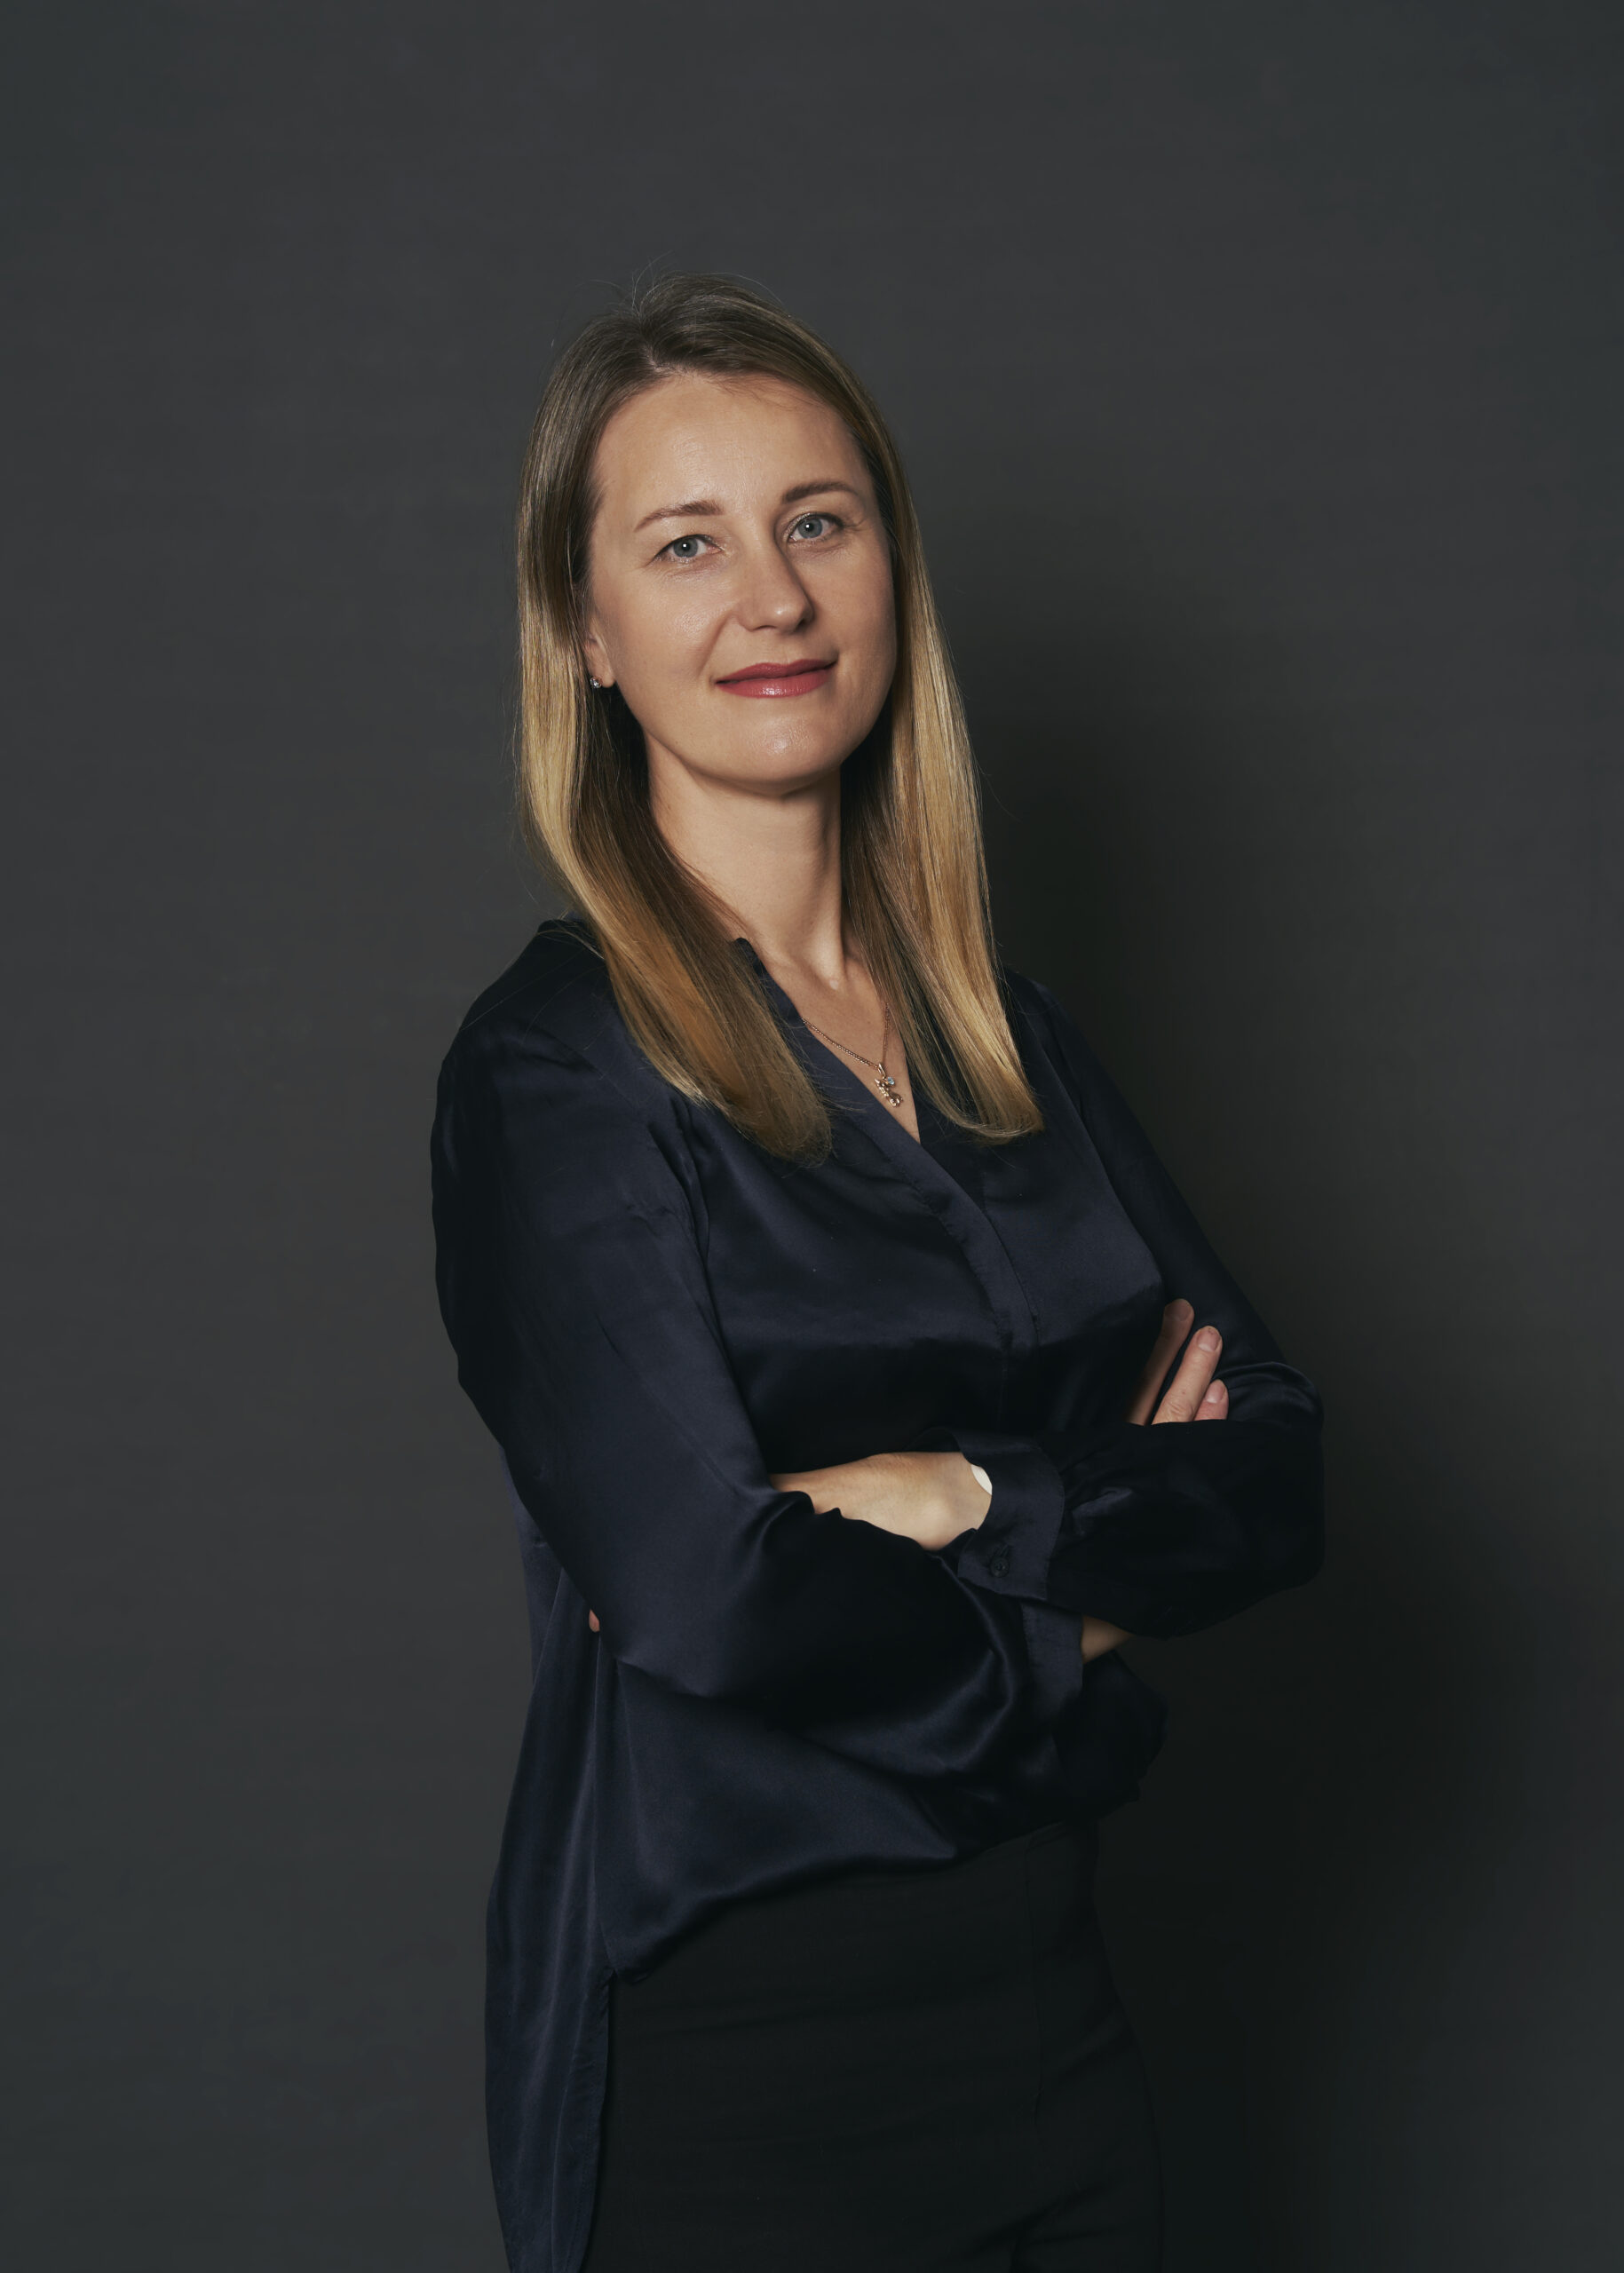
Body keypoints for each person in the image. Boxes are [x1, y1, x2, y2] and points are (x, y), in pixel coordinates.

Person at [431, 273, 1323, 2273]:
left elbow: (1281, 1469)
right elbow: (711, 1597)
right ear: (587, 631)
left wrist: (968, 1496)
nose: (773, 595)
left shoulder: (1009, 1033)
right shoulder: (557, 1068)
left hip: (1062, 2031)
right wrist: (1093, 1598)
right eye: (688, 543)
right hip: (747, 2069)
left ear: (892, 568)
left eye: (818, 520)